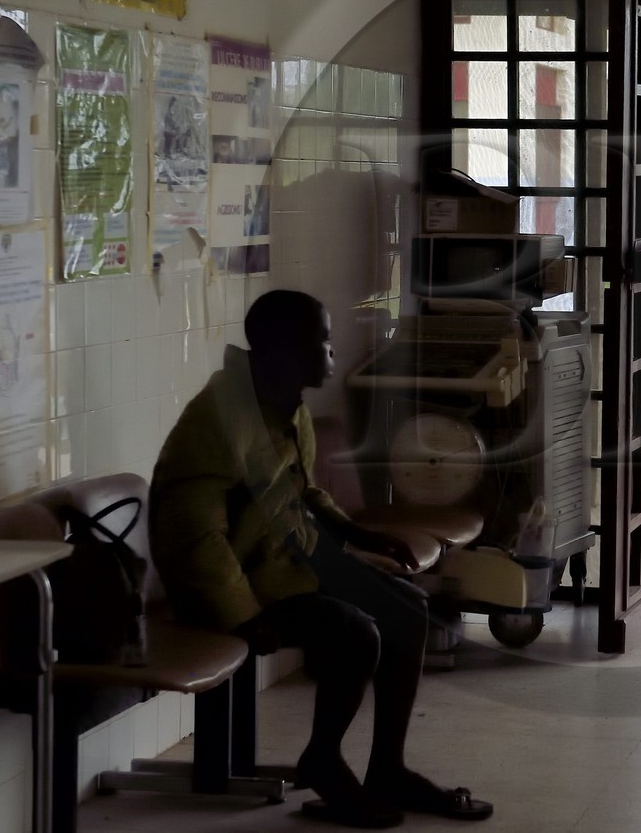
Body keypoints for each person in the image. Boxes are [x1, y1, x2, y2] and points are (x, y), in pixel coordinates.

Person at [150, 290, 493, 827]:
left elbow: (303, 493)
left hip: (283, 567)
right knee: (354, 631)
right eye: (322, 340)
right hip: (228, 586)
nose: (331, 350)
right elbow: (193, 534)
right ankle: (324, 760)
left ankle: (387, 769)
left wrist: (362, 535)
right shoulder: (220, 419)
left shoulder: (285, 405)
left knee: (407, 609)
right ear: (281, 349)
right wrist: (243, 615)